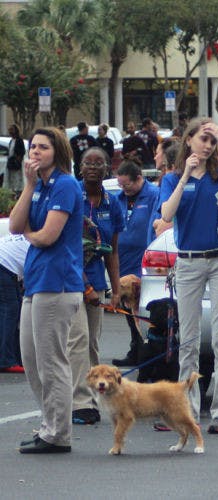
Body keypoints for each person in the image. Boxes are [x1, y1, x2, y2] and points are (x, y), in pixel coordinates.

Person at [159, 117, 218, 434]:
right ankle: (187, 410)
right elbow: (167, 214)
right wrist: (184, 176)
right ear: (189, 140)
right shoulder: (172, 178)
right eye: (203, 139)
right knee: (189, 342)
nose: (207, 145)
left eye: (212, 141)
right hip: (189, 262)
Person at [9, 127, 84, 453]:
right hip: (37, 280)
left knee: (52, 361)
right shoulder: (38, 185)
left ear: (57, 151)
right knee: (32, 359)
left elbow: (47, 236)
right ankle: (48, 425)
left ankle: (58, 433)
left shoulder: (66, 185)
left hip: (58, 282)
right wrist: (28, 185)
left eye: (42, 147)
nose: (35, 152)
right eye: (32, 147)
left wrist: (29, 231)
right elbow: (15, 225)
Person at [68, 147, 124, 425]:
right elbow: (67, 247)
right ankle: (80, 403)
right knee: (76, 340)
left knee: (91, 342)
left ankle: (92, 397)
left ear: (107, 170)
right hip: (69, 282)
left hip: (98, 284)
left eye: (98, 163)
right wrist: (85, 287)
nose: (92, 167)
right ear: (80, 167)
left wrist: (116, 290)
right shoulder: (71, 196)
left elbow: (112, 251)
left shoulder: (111, 204)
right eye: (87, 162)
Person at [111, 158, 160, 367]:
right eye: (120, 185)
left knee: (147, 311)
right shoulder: (118, 198)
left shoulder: (153, 195)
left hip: (144, 261)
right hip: (123, 261)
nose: (124, 189)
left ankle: (150, 351)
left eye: (127, 184)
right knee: (128, 311)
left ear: (139, 178)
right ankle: (136, 349)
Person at [0, 234, 30, 373]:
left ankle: (15, 357)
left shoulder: (30, 234)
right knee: (10, 311)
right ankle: (6, 360)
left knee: (13, 310)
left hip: (6, 265)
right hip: (4, 266)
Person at [5, 124, 26, 192]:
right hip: (11, 162)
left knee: (17, 178)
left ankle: (17, 191)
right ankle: (12, 190)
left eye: (12, 130)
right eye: (9, 130)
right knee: (11, 178)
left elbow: (22, 151)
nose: (10, 132)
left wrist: (18, 160)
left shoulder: (19, 140)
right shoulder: (11, 141)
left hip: (16, 163)